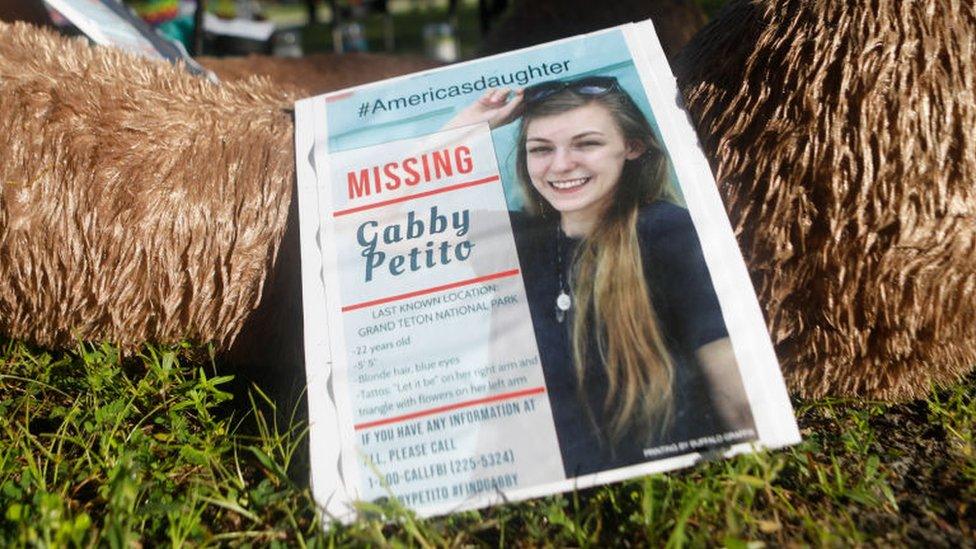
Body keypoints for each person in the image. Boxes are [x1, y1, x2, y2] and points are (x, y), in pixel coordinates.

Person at [446, 77, 755, 476]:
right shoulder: (519, 241)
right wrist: (463, 130)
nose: (560, 165)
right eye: (541, 149)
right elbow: (366, 227)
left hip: (663, 485)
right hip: (543, 493)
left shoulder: (666, 230)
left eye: (586, 143)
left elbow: (730, 378)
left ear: (633, 146)